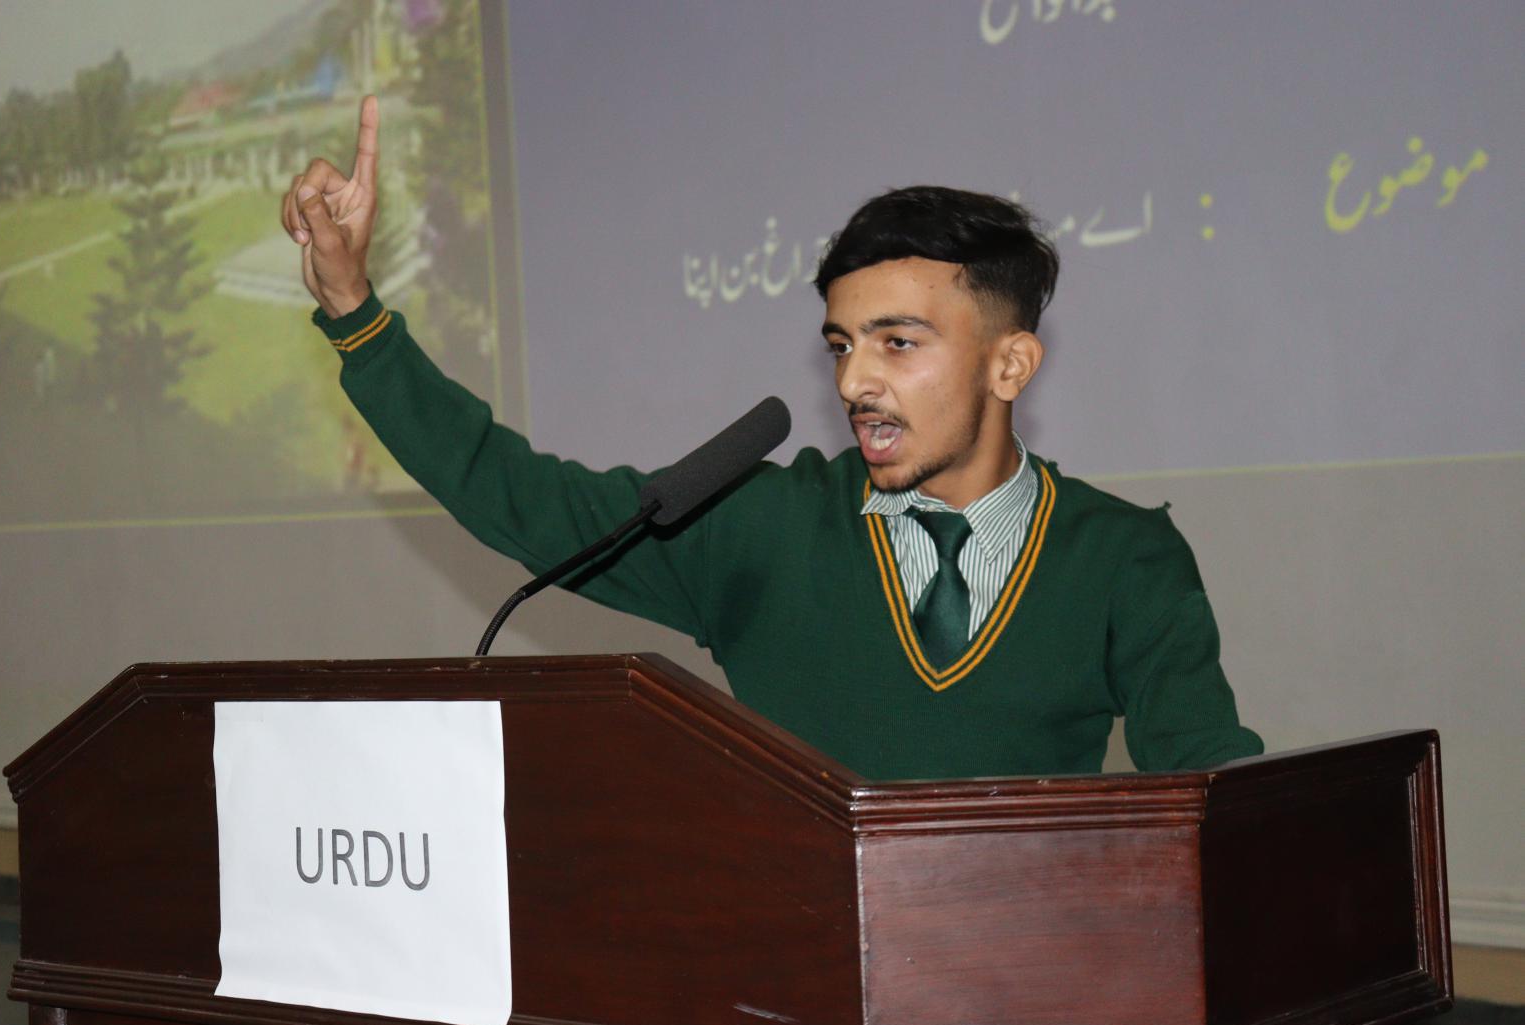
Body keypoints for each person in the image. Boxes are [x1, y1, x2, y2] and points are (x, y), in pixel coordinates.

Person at [281, 97, 1263, 781]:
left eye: (898, 343)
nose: (854, 382)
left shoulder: (1125, 559)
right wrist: (357, 316)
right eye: (841, 345)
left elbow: (1217, 803)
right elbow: (519, 494)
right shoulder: (761, 525)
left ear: (1010, 366)